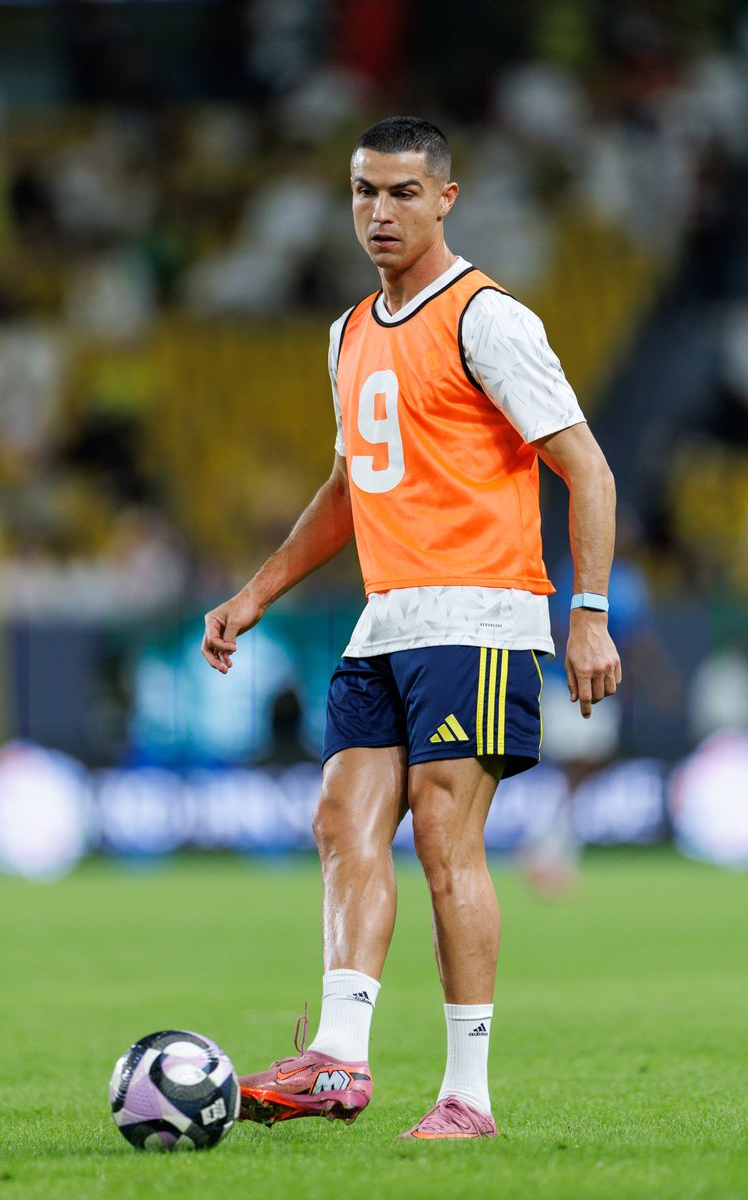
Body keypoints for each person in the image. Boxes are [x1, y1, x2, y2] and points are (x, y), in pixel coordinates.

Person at [201, 116, 621, 1141]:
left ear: (445, 199)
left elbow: (587, 468)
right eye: (363, 191)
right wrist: (255, 593)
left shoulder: (488, 319)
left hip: (479, 613)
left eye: (401, 192)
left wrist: (589, 614)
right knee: (340, 819)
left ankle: (466, 1097)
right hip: (384, 619)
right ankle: (338, 1061)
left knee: (442, 839)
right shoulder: (347, 332)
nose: (379, 212)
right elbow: (349, 488)